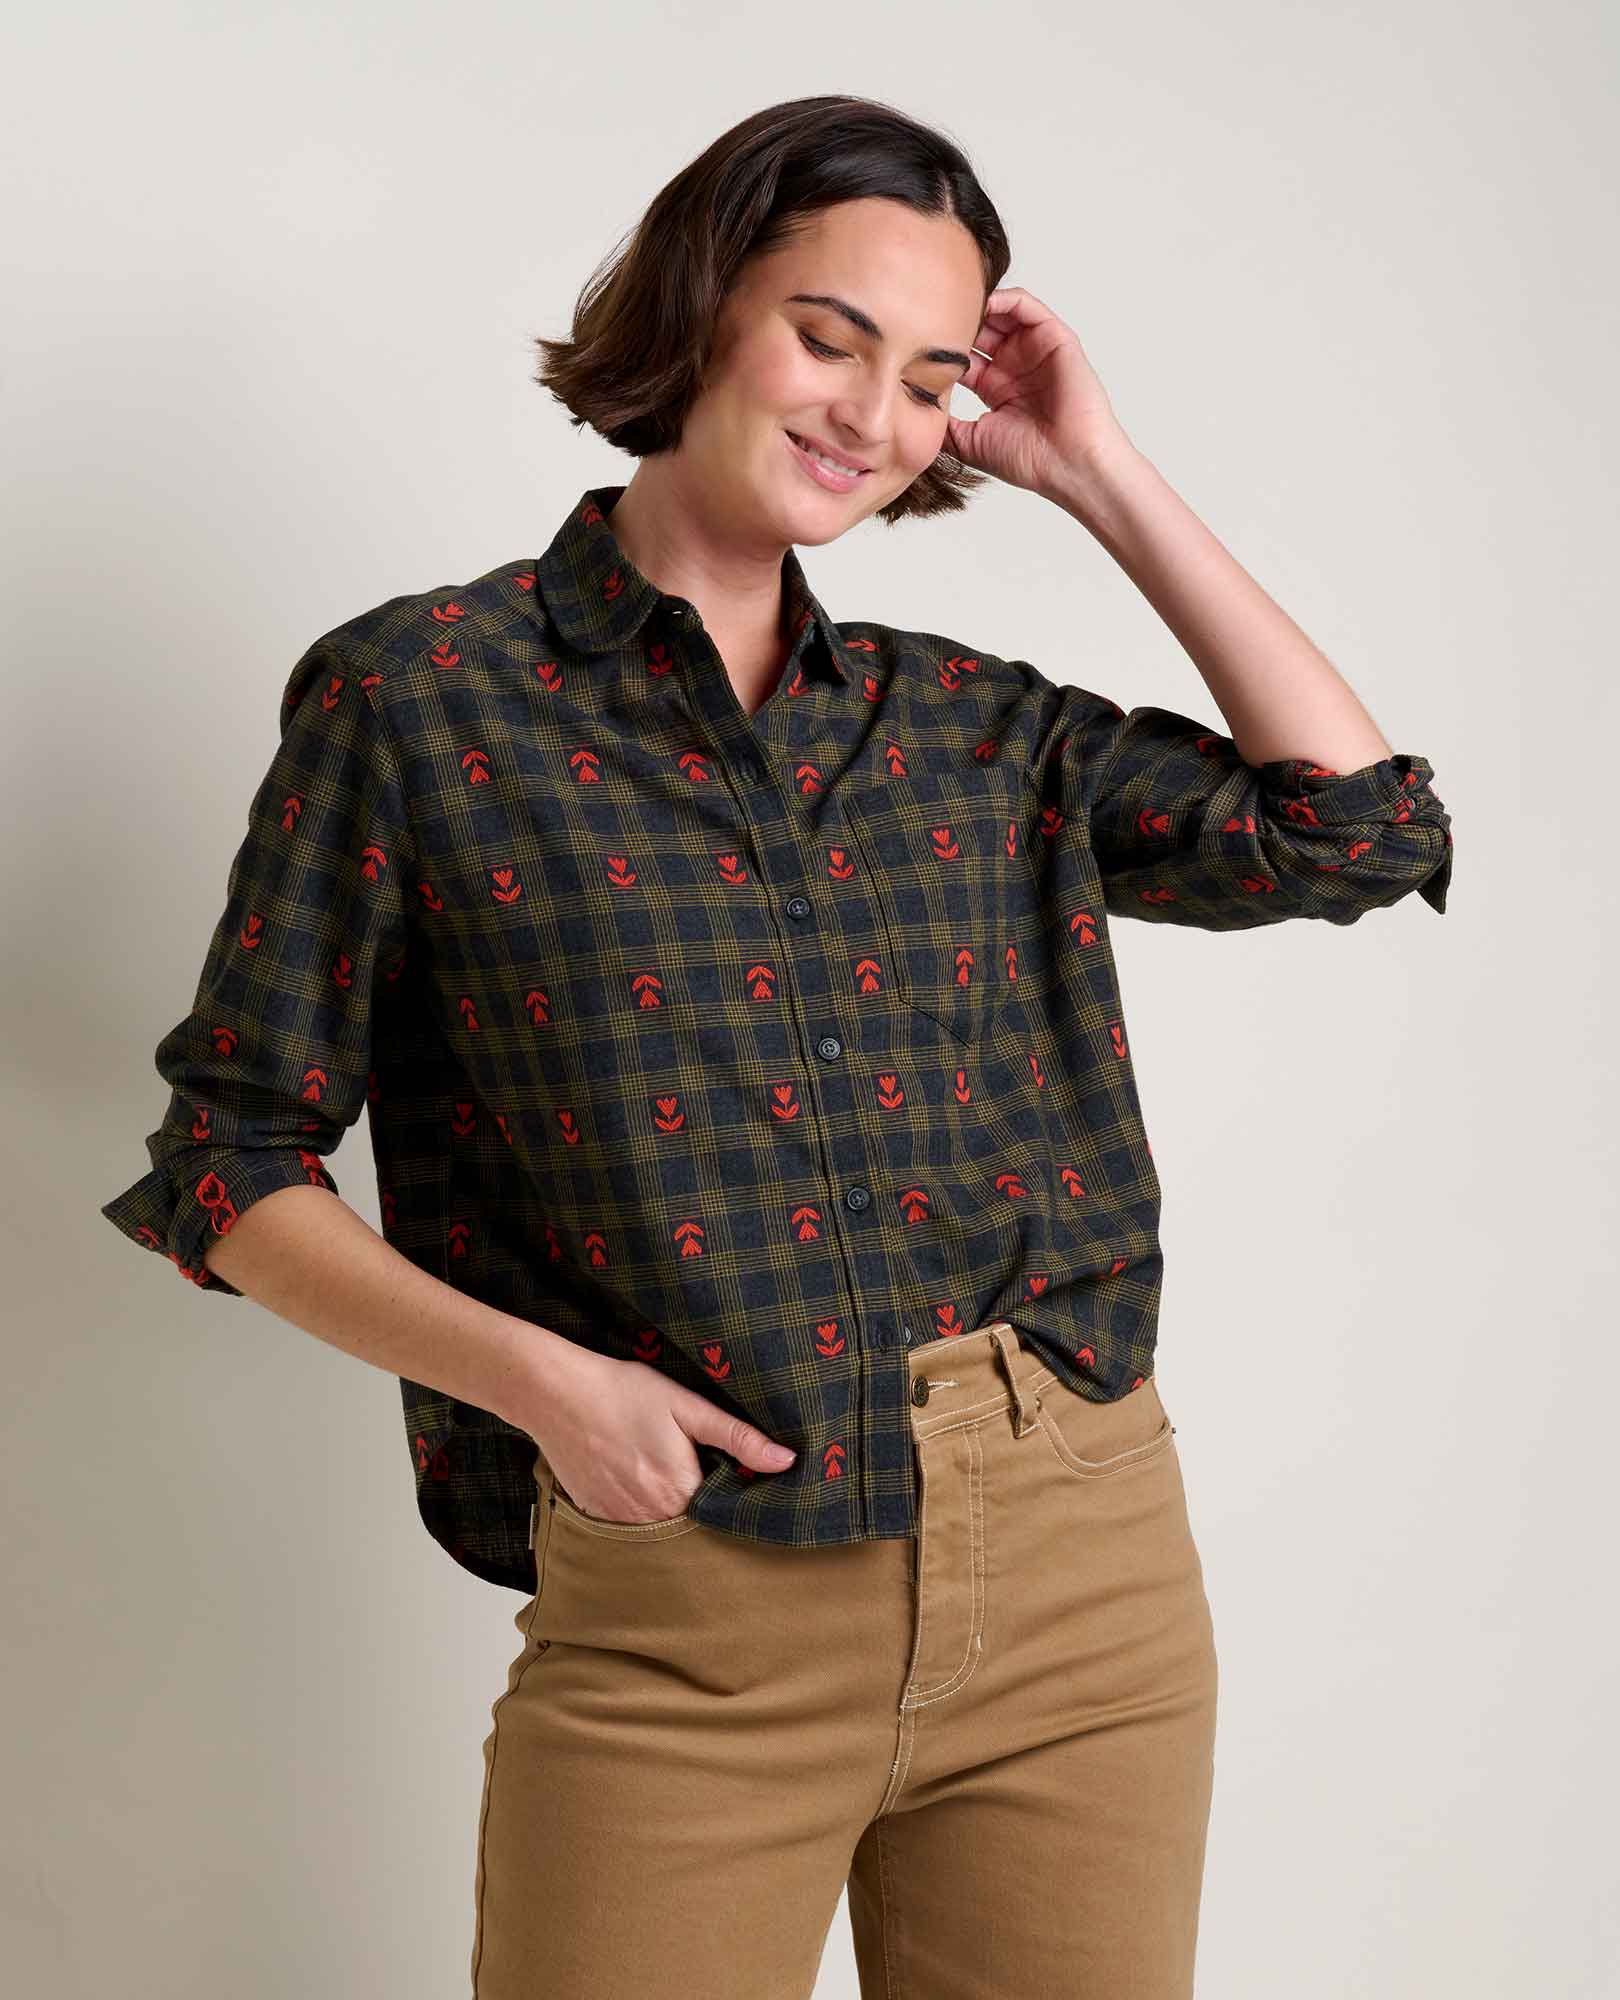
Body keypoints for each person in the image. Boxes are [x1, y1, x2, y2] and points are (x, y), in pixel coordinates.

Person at [100, 93, 1453, 1999]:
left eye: (928, 379)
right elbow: (229, 1165)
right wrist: (552, 1391)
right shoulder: (420, 702)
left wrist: (1099, 470)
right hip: (694, 1607)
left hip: (1081, 1586)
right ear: (704, 305)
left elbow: (1359, 834)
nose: (871, 414)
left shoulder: (972, 729)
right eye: (830, 337)